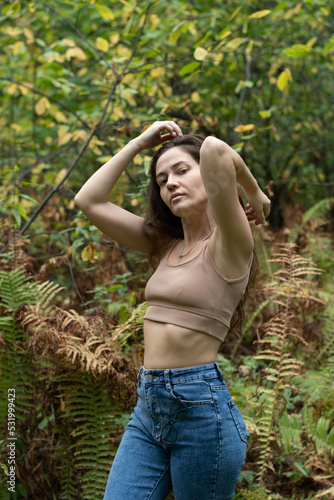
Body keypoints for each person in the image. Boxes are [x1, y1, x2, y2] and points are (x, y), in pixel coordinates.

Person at [74, 121, 271, 500]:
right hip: (149, 407)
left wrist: (253, 189)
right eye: (162, 180)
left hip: (201, 411)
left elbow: (214, 147)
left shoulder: (229, 244)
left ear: (210, 178)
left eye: (182, 171)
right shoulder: (165, 245)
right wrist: (139, 142)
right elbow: (89, 201)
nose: (171, 184)